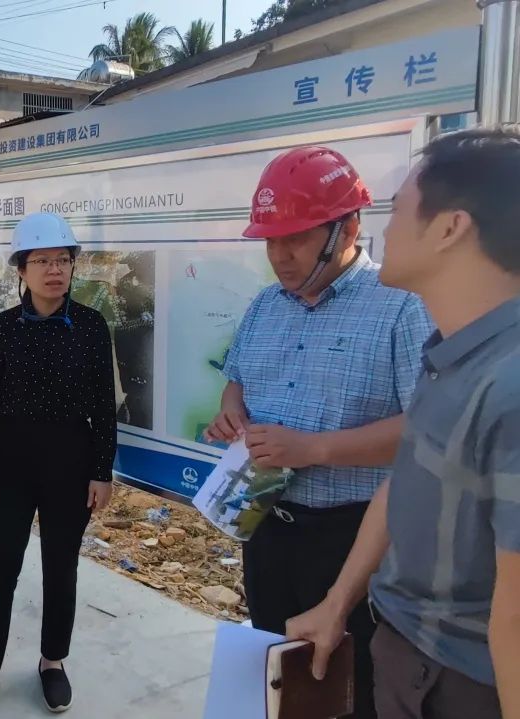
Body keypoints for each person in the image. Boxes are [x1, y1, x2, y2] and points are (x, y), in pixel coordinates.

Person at [286, 128, 520, 719]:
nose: (384, 230)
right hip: (404, 652)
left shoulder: (510, 385)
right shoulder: (453, 352)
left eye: (397, 210)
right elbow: (405, 481)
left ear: (450, 228)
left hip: (468, 684)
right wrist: (337, 603)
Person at [202, 146, 433, 719]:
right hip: (266, 525)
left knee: (350, 690)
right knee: (279, 674)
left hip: (354, 539)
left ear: (347, 229)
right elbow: (236, 381)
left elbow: (430, 426)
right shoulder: (265, 305)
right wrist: (232, 414)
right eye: (270, 241)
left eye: (296, 239)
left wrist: (316, 449)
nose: (279, 256)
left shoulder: (402, 307)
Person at [0, 212, 116, 719]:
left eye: (63, 260)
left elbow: (104, 404)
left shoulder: (91, 325)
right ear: (21, 269)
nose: (55, 270)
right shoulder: (6, 326)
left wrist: (102, 471)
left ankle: (52, 662)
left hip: (71, 462)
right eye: (42, 261)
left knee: (60, 568)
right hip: (12, 463)